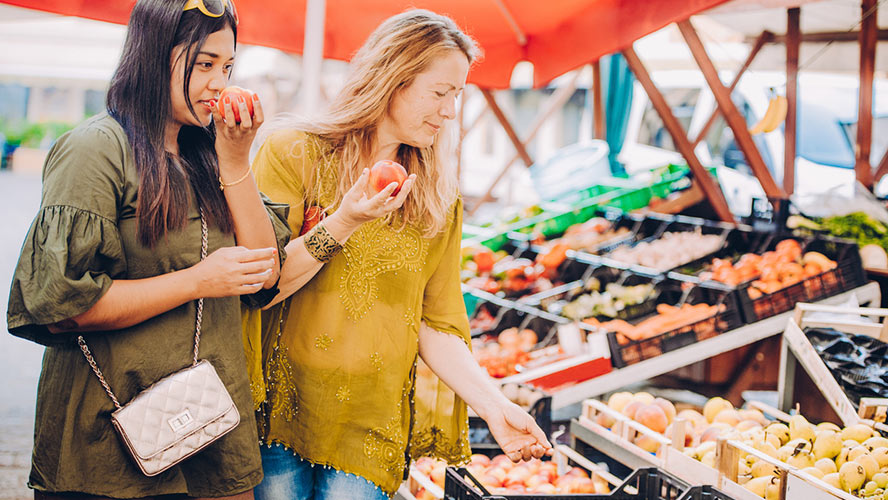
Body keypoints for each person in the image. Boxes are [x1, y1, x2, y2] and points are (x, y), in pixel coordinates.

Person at [245, 10, 551, 500]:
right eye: (439, 92)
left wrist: (494, 406)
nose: (451, 111)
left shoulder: (436, 198)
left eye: (458, 95)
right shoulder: (294, 152)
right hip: (278, 415)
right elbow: (261, 285)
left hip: (371, 427)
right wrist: (342, 222)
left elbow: (436, 325)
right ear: (391, 78)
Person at [6, 0, 292, 498]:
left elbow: (264, 271)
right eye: (204, 64)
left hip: (210, 432)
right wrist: (199, 281)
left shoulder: (211, 154)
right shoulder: (95, 150)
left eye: (227, 66)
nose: (220, 83)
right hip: (108, 437)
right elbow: (61, 307)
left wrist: (235, 156)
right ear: (154, 54)